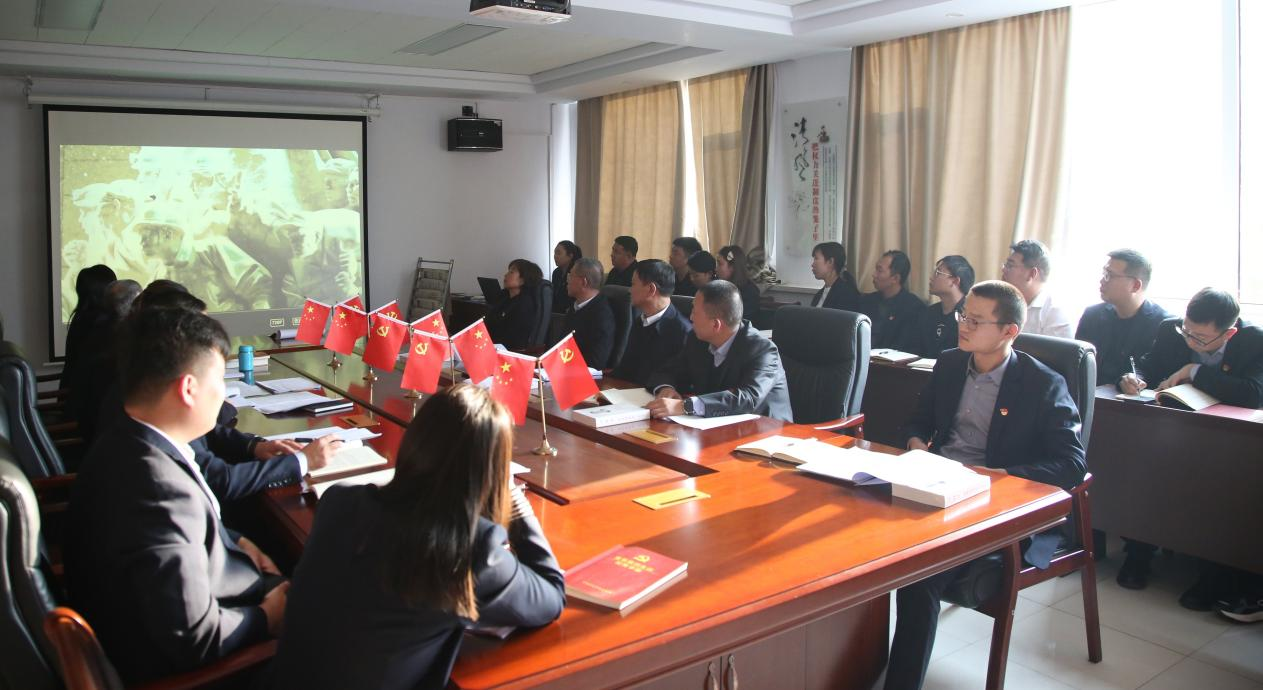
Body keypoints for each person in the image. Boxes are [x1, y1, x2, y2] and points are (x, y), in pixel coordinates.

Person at [269, 385, 565, 689]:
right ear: (491, 473)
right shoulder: (474, 551)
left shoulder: (340, 501)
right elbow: (552, 596)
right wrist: (511, 497)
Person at [65, 307, 288, 683]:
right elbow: (196, 638)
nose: (223, 393)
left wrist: (237, 541)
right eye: (220, 379)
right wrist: (269, 617)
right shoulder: (157, 488)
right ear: (188, 389)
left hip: (183, 607)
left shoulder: (126, 439)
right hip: (196, 670)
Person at [887, 280, 1087, 690]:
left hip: (994, 504)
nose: (963, 325)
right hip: (937, 486)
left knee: (919, 578)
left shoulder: (1043, 383)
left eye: (976, 321)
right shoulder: (949, 364)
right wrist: (916, 444)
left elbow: (1071, 463)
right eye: (964, 315)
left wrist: (1001, 475)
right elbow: (917, 421)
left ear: (1009, 331)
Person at [1116, 288, 1263, 598]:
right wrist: (1132, 377)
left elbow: (1253, 393)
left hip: (1227, 443)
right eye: (1187, 331)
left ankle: (1212, 573)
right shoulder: (1170, 330)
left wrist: (1195, 370)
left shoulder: (1254, 340)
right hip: (1171, 434)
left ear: (1229, 332)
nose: (1190, 341)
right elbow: (1147, 365)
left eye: (1201, 338)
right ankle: (1139, 554)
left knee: (1217, 490)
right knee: (1140, 470)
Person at [646, 280, 792, 421]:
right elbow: (668, 371)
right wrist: (666, 388)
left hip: (765, 431)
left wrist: (686, 406)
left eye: (695, 312)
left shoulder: (763, 351)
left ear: (716, 325)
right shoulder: (697, 340)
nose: (690, 317)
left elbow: (747, 398)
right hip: (716, 426)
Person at [1075, 249, 1172, 386]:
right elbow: (1076, 365)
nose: (1102, 281)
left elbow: (1158, 376)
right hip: (1090, 395)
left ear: (1136, 285)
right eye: (1104, 273)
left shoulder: (1163, 325)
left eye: (1109, 275)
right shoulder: (1092, 315)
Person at [612, 260, 693, 386]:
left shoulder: (682, 331)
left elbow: (675, 383)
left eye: (633, 284)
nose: (629, 290)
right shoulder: (640, 321)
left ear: (651, 289)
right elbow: (625, 370)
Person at [1000, 239, 1073, 338]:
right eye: (1005, 265)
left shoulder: (1054, 312)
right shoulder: (999, 301)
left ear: (1032, 274)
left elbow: (1058, 348)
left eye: (1010, 265)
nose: (1003, 269)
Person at [859, 250, 925, 351]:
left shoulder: (914, 308)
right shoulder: (866, 301)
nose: (874, 274)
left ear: (895, 278)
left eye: (879, 270)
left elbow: (907, 346)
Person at [914, 255, 974, 358]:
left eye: (938, 273)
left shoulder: (970, 317)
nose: (931, 278)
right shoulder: (928, 313)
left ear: (955, 281)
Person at [565, 257, 617, 369]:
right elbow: (561, 346)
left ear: (584, 282)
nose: (567, 280)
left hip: (583, 374)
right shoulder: (575, 307)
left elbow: (595, 363)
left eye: (571, 276)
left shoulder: (602, 316)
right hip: (564, 367)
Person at [485, 259, 544, 350]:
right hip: (489, 344)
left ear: (523, 279)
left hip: (506, 351)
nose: (505, 275)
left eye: (511, 272)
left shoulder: (524, 304)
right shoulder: (503, 297)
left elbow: (514, 339)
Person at [809, 241, 861, 312]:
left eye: (816, 258)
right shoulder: (819, 294)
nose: (812, 264)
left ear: (830, 262)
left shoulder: (846, 294)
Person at [716, 245, 761, 323]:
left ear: (732, 267)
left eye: (720, 264)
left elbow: (738, 321)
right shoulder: (717, 287)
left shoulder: (749, 292)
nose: (716, 269)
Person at [551, 240, 582, 312]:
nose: (555, 256)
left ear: (570, 256)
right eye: (555, 253)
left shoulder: (577, 272)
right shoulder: (556, 272)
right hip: (557, 312)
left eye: (558, 253)